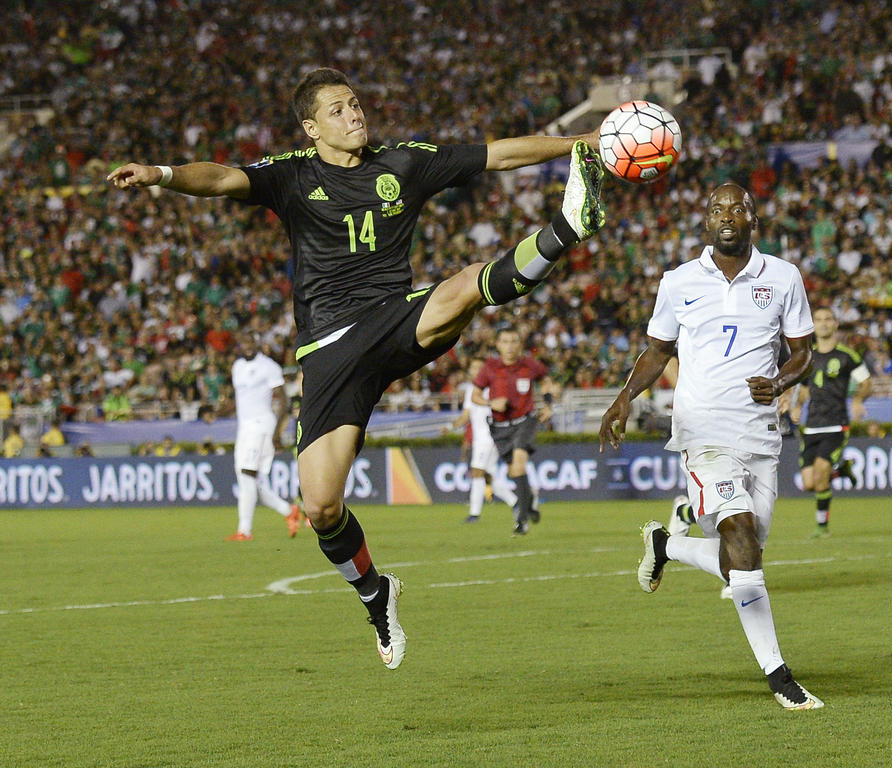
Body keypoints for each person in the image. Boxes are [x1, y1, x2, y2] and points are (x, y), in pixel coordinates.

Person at [108, 66, 606, 669]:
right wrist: (161, 175)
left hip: (393, 318)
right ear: (312, 127)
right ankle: (376, 594)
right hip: (328, 352)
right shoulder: (292, 174)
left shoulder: (403, 162)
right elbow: (217, 178)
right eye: (339, 110)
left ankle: (565, 227)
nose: (356, 115)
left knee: (457, 294)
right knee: (320, 506)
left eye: (357, 104)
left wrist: (584, 144)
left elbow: (497, 155)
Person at [599, 182, 823, 710]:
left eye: (737, 208)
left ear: (753, 219)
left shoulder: (783, 277)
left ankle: (667, 545)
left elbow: (803, 352)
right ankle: (779, 675)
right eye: (717, 208)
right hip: (701, 431)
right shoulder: (679, 281)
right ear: (705, 221)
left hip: (760, 434)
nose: (727, 215)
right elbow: (657, 351)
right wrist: (624, 398)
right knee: (741, 540)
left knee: (741, 561)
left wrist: (783, 382)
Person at [790, 306, 871, 537]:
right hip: (812, 425)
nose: (823, 323)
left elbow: (866, 382)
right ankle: (842, 471)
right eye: (819, 319)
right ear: (813, 325)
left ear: (835, 324)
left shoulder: (847, 356)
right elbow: (804, 389)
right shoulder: (809, 356)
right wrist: (797, 406)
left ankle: (821, 527)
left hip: (836, 424)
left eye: (828, 319)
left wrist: (857, 400)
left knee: (821, 473)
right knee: (808, 483)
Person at [472, 327, 558, 535]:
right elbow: (475, 395)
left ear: (519, 344)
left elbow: (546, 381)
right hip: (500, 428)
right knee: (514, 471)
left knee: (519, 463)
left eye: (513, 341)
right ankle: (530, 500)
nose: (509, 346)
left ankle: (521, 519)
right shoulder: (490, 368)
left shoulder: (529, 365)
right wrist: (491, 402)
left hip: (524, 421)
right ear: (498, 345)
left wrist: (548, 405)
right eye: (505, 342)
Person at [224, 333, 303, 542]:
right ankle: (289, 510)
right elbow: (242, 399)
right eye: (244, 342)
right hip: (244, 428)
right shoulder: (237, 366)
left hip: (262, 426)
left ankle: (245, 530)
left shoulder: (269, 366)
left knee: (247, 474)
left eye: (251, 342)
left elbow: (284, 401)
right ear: (240, 344)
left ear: (258, 343)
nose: (248, 346)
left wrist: (277, 432)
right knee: (247, 479)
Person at [449, 357, 519, 523]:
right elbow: (465, 416)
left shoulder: (491, 389)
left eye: (479, 368)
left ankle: (474, 513)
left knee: (476, 472)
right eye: (473, 368)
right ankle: (516, 502)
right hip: (480, 439)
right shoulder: (471, 391)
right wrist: (451, 427)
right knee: (487, 475)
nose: (475, 371)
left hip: (489, 437)